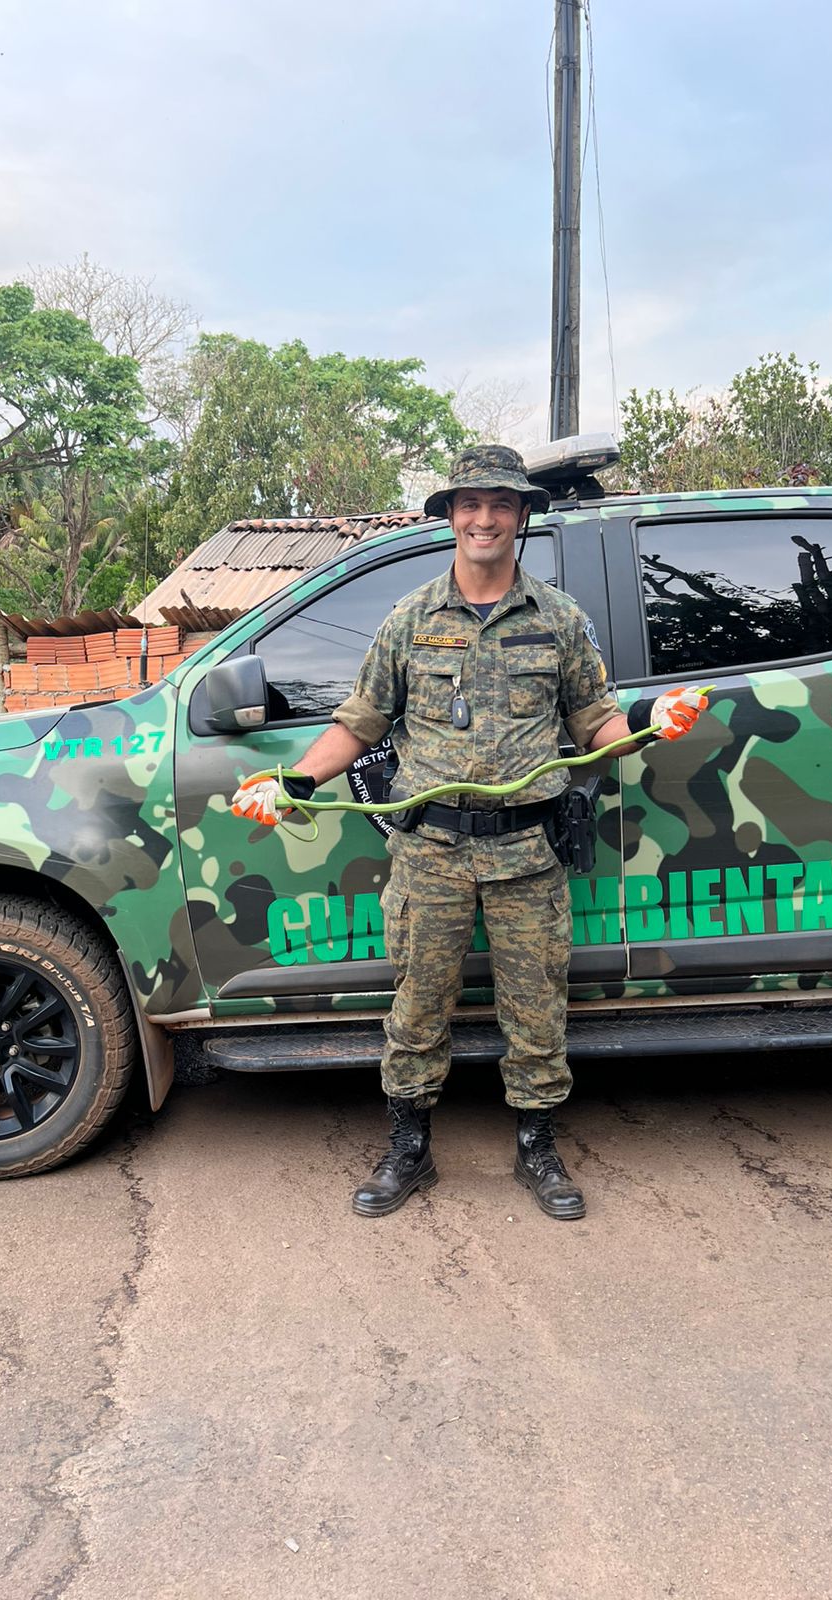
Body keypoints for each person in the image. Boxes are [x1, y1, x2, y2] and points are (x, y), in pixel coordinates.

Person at [231, 445, 706, 1221]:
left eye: (500, 504)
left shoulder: (557, 620)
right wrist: (296, 781)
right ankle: (408, 1148)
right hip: (431, 853)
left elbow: (596, 724)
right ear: (451, 515)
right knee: (417, 1005)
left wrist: (654, 724)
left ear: (521, 517)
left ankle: (537, 1148)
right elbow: (360, 720)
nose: (484, 518)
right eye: (470, 503)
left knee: (537, 1006)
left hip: (527, 851)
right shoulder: (410, 619)